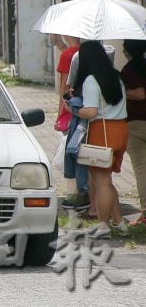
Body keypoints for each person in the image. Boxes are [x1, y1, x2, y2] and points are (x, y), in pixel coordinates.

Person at [70, 40, 131, 237]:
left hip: (102, 131)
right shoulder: (116, 77)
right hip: (120, 130)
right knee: (107, 179)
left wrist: (72, 109)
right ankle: (119, 222)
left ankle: (103, 225)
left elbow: (91, 111)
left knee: (101, 181)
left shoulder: (90, 80)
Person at [57, 35, 89, 211]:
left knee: (73, 151)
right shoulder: (104, 54)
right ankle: (86, 195)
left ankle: (77, 195)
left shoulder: (72, 55)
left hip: (77, 112)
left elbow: (64, 86)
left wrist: (63, 110)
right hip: (102, 122)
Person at [120, 39, 146, 225]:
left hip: (136, 123)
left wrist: (123, 91)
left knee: (141, 168)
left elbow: (139, 94)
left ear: (128, 51)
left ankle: (145, 213)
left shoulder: (130, 70)